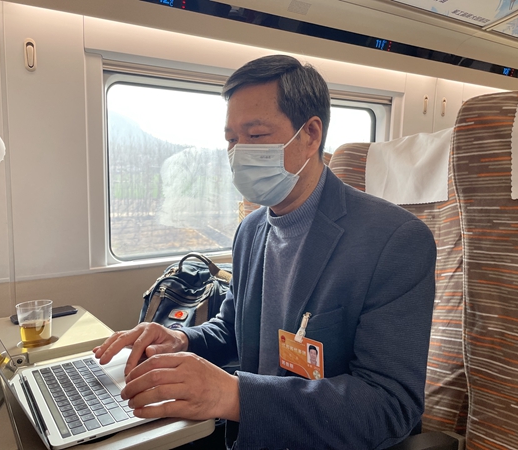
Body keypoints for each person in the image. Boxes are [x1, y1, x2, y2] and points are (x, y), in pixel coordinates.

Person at [94, 54, 436, 449]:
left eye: (255, 136)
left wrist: (234, 395)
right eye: (231, 140)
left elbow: (390, 405)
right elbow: (233, 330)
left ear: (310, 134)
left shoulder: (394, 240)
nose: (239, 153)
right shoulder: (251, 230)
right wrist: (180, 340)